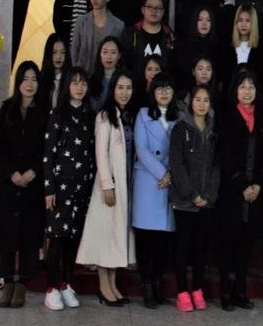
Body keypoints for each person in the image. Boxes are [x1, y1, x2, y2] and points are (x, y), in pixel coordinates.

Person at [77, 69, 137, 307]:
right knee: (105, 235)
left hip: (126, 184)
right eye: (120, 87)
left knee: (116, 236)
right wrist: (107, 185)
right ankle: (103, 286)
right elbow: (100, 153)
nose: (124, 92)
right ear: (112, 90)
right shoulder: (104, 116)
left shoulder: (128, 116)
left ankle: (113, 284)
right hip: (109, 187)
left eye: (128, 88)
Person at [0, 62, 46, 308]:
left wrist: (34, 171)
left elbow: (48, 147)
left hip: (33, 183)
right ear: (18, 81)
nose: (30, 84)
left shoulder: (44, 112)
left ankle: (22, 282)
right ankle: (7, 282)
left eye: (34, 79)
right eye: (25, 78)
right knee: (6, 231)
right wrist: (11, 172)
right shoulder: (6, 110)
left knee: (29, 231)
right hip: (8, 183)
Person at [216, 69, 263, 311]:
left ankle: (240, 291)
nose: (247, 91)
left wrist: (257, 184)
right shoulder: (226, 115)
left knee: (246, 244)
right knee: (228, 242)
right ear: (235, 90)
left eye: (251, 86)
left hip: (255, 192)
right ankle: (225, 293)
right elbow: (224, 155)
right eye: (242, 86)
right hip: (231, 190)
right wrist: (242, 185)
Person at [43, 67, 96, 311]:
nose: (79, 87)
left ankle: (66, 284)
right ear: (67, 86)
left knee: (73, 238)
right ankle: (51, 287)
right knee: (57, 238)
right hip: (60, 187)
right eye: (74, 83)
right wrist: (49, 189)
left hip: (82, 187)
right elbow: (48, 155)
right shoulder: (58, 114)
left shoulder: (91, 116)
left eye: (83, 83)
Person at [169, 84, 220, 312]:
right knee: (183, 248)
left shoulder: (213, 131)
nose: (201, 104)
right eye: (198, 100)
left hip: (206, 202)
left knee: (201, 248)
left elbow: (216, 166)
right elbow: (176, 164)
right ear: (191, 103)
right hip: (184, 201)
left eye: (205, 100)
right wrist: (192, 194)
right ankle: (182, 291)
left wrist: (208, 195)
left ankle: (198, 289)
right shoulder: (181, 128)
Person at [133, 72, 179, 309]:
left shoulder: (179, 117)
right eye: (159, 88)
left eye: (168, 88)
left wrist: (171, 174)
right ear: (153, 92)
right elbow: (141, 149)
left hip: (170, 183)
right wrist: (163, 173)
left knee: (163, 239)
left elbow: (181, 151)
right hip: (147, 181)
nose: (164, 92)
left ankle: (158, 281)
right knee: (146, 238)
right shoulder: (142, 114)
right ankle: (147, 284)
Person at [70, 0, 124, 73]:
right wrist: (76, 71)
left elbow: (120, 55)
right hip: (83, 75)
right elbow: (74, 48)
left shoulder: (118, 25)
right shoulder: (81, 21)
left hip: (106, 75)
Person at [220, 3, 263, 93]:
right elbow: (222, 75)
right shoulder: (227, 45)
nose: (243, 24)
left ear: (253, 23)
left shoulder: (261, 46)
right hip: (230, 96)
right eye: (240, 20)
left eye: (248, 21)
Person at [120, 0, 174, 78]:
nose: (154, 10)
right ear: (143, 10)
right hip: (135, 84)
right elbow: (124, 64)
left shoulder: (170, 36)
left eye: (158, 8)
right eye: (149, 7)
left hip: (162, 85)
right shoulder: (130, 33)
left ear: (163, 12)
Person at [178, 6, 221, 94]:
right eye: (200, 19)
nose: (204, 23)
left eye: (208, 20)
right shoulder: (185, 47)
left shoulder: (218, 47)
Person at [89, 36, 123, 111]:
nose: (109, 56)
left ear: (119, 56)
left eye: (113, 52)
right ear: (100, 54)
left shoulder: (124, 79)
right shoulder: (93, 80)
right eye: (105, 52)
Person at [39, 34, 71, 114]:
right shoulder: (40, 79)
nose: (58, 56)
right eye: (54, 52)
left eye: (62, 52)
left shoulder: (71, 80)